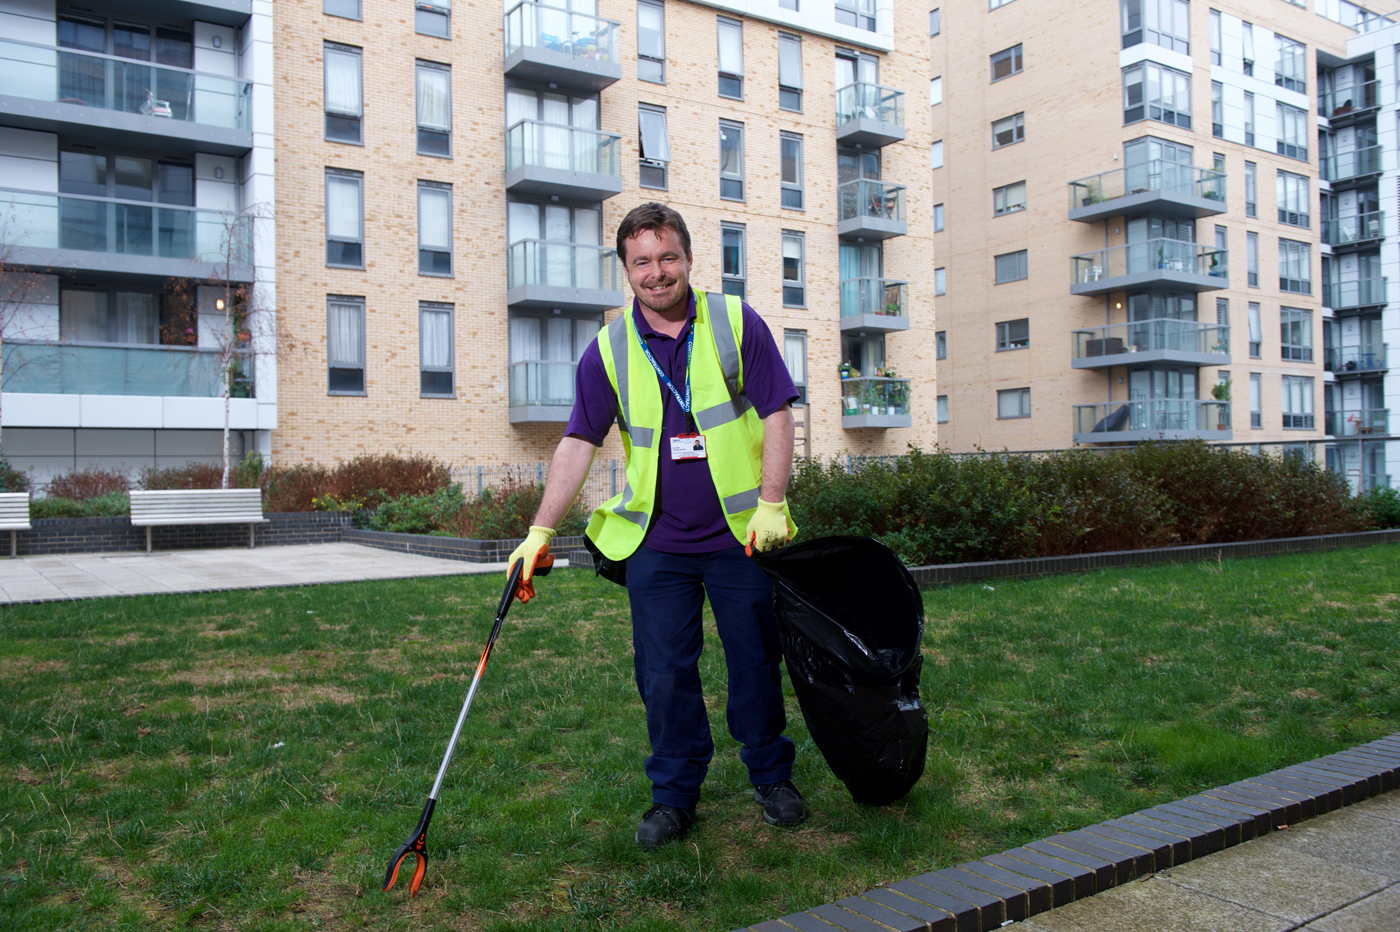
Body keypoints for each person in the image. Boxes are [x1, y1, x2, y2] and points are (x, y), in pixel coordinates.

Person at [506, 202, 803, 848]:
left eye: (668, 257)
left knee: (755, 660)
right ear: (626, 270)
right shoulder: (608, 349)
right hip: (658, 542)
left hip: (741, 534)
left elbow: (778, 412)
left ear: (689, 259)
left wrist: (773, 501)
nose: (657, 272)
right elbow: (578, 441)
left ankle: (771, 775)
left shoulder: (734, 322)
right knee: (664, 674)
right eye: (642, 261)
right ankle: (674, 795)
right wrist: (540, 531)